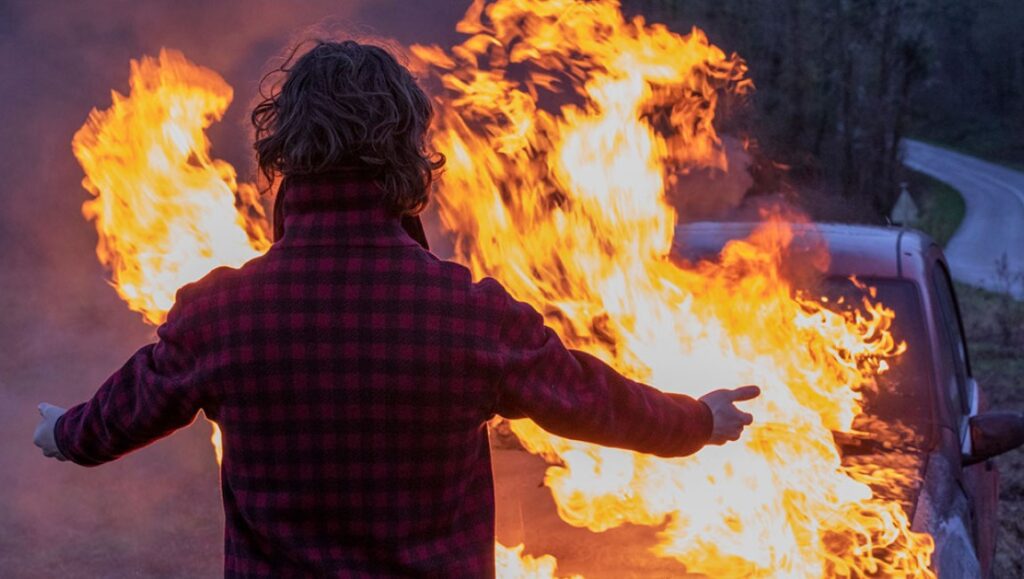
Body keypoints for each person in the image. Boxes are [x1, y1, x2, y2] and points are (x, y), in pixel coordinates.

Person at [33, 40, 759, 577]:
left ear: (282, 153)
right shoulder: (468, 315)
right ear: (409, 157)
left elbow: (113, 419)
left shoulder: (221, 314)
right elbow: (594, 401)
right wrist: (698, 419)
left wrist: (60, 431)